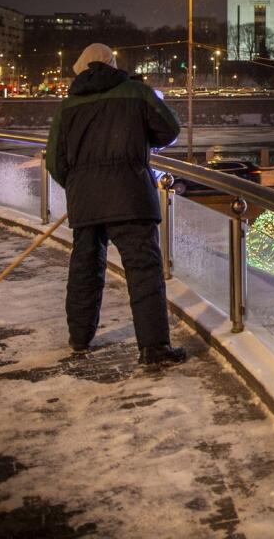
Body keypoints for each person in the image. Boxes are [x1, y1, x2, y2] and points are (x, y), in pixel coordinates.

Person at [45, 42, 186, 366]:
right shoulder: (135, 92)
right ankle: (153, 349)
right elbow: (170, 129)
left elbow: (55, 161)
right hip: (131, 195)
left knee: (84, 268)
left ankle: (79, 339)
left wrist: (80, 183)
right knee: (143, 270)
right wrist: (140, 136)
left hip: (87, 200)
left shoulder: (68, 106)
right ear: (112, 64)